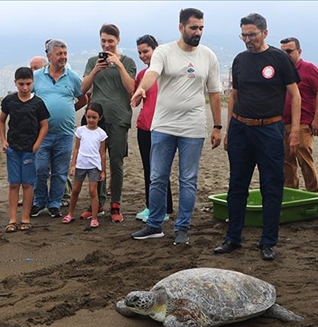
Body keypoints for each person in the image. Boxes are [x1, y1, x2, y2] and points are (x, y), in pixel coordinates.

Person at [130, 8, 222, 246]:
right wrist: (142, 89)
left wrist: (217, 126)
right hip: (163, 125)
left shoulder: (208, 56)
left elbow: (214, 93)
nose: (198, 32)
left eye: (201, 28)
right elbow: (152, 73)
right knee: (158, 177)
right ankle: (154, 224)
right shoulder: (164, 51)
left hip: (193, 127)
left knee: (188, 179)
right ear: (181, 27)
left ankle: (183, 228)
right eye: (193, 27)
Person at [212, 13, 301, 261]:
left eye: (252, 34)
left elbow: (295, 95)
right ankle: (233, 237)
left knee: (271, 186)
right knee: (237, 184)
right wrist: (229, 130)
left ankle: (268, 241)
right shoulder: (240, 60)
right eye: (244, 35)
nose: (248, 39)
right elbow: (234, 95)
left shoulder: (279, 59)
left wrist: (294, 131)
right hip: (241, 128)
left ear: (265, 33)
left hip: (270, 129)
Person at [81, 23, 137, 223]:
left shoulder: (128, 62)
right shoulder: (92, 61)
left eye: (110, 41)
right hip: (96, 119)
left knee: (116, 161)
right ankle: (97, 202)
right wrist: (95, 70)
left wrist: (119, 65)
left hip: (119, 118)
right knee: (96, 161)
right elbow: (83, 88)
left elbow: (131, 88)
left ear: (118, 40)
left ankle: (116, 204)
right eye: (103, 41)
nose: (106, 45)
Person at [31, 39, 87, 219]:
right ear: (49, 56)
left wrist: (67, 111)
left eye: (65, 53)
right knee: (39, 169)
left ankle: (54, 204)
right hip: (42, 133)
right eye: (59, 54)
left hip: (65, 133)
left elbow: (83, 99)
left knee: (60, 172)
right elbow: (27, 98)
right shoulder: (36, 76)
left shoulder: (73, 77)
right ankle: (39, 202)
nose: (63, 57)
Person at [0, 67, 50, 233]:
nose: (25, 87)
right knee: (14, 184)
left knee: (28, 184)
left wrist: (38, 143)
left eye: (28, 84)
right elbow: (1, 121)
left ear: (32, 82)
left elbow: (44, 125)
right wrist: (3, 140)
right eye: (21, 84)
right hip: (13, 148)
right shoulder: (9, 101)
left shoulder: (38, 103)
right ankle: (13, 219)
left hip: (29, 149)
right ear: (15, 83)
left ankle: (25, 218)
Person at [133, 34, 173, 223]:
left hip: (162, 127)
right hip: (144, 127)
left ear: (155, 49)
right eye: (140, 53)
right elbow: (135, 97)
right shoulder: (142, 75)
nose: (143, 56)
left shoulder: (167, 71)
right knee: (148, 169)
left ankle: (164, 208)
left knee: (161, 170)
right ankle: (151, 205)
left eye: (146, 51)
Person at [280, 37, 318, 193]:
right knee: (286, 161)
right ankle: (290, 192)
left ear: (299, 51)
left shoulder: (309, 69)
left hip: (303, 122)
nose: (286, 55)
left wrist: (317, 119)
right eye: (283, 52)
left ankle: (313, 192)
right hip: (282, 122)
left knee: (304, 159)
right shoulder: (281, 70)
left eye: (289, 51)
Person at [63, 103, 108, 228]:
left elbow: (102, 153)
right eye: (88, 117)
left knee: (93, 191)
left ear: (100, 118)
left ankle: (94, 218)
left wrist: (103, 171)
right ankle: (70, 213)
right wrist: (73, 165)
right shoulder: (80, 131)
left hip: (94, 166)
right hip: (81, 165)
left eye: (94, 117)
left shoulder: (101, 133)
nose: (91, 120)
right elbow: (76, 149)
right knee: (75, 190)